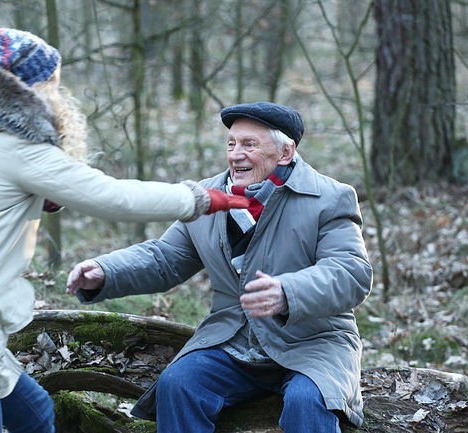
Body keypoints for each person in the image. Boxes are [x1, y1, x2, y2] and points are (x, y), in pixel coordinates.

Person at [0, 28, 248, 433]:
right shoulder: (14, 147)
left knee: (34, 413)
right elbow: (112, 197)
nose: (58, 95)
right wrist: (200, 199)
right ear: (28, 89)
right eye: (54, 84)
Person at [67, 101, 373, 433]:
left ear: (286, 153)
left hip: (313, 341)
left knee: (306, 401)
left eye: (249, 145)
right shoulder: (207, 198)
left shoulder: (329, 197)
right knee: (179, 384)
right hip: (233, 341)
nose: (235, 154)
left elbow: (351, 272)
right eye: (231, 143)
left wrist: (288, 292)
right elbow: (164, 258)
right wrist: (105, 271)